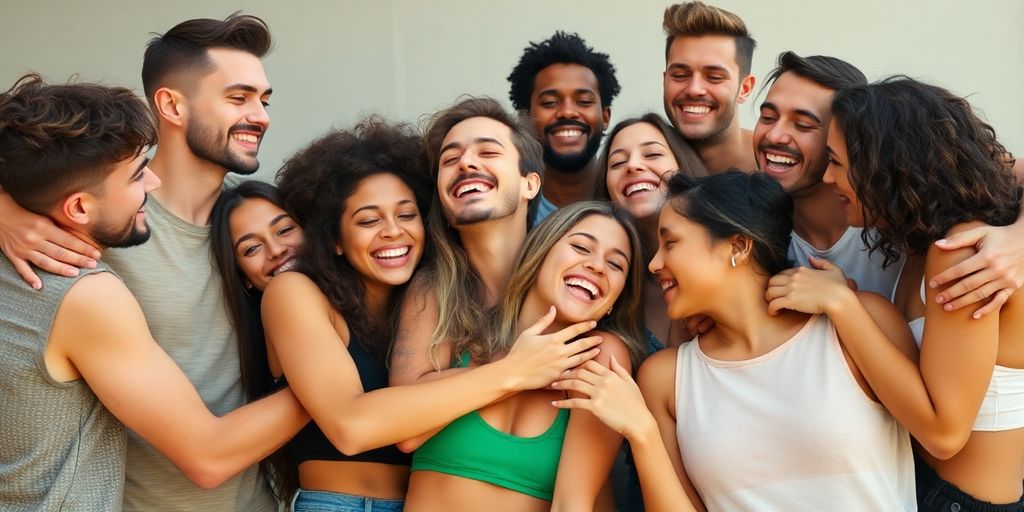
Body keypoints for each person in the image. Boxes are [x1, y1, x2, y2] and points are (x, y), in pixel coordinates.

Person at [215, 120, 604, 511]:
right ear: (334, 239)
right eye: (368, 220)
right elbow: (351, 427)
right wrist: (512, 371)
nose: (392, 232)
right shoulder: (295, 292)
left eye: (406, 215)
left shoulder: (432, 297)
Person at [0, 74, 307, 511]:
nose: (153, 184)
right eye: (136, 176)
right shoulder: (85, 295)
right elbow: (209, 455)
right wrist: (333, 382)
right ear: (80, 207)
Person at [556, 171, 918, 511]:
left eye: (670, 243)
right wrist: (643, 433)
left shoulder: (858, 321)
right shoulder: (665, 378)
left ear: (738, 246)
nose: (654, 264)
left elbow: (942, 439)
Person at [771, 77, 1024, 510]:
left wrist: (843, 306)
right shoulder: (920, 248)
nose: (829, 178)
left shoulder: (960, 252)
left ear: (885, 165)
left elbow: (945, 433)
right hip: (918, 487)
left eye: (836, 162)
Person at [404, 201, 646, 512]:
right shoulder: (464, 329)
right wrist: (517, 373)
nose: (598, 266)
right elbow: (406, 435)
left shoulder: (600, 356)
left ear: (615, 298)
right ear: (541, 251)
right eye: (581, 247)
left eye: (615, 265)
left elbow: (571, 504)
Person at [600, 112, 707, 348]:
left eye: (653, 154)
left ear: (683, 166)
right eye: (617, 163)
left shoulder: (728, 258)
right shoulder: (604, 281)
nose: (633, 166)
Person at [507, 31, 620, 224]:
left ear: (606, 117)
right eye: (550, 102)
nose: (567, 112)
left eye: (583, 101)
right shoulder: (511, 211)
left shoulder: (629, 206)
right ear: (524, 118)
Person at [661, 1, 756, 172]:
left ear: (745, 88)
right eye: (680, 75)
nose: (694, 89)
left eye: (714, 77)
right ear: (664, 80)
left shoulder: (777, 169)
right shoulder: (645, 169)